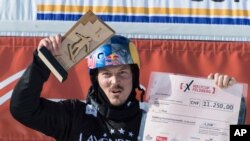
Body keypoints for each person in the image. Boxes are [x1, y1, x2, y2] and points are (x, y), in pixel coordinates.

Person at [10, 34, 246, 141]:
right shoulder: (74, 115)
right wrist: (40, 65)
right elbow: (22, 109)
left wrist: (232, 108)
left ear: (134, 77)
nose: (115, 82)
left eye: (123, 73)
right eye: (106, 74)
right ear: (96, 79)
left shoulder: (159, 117)